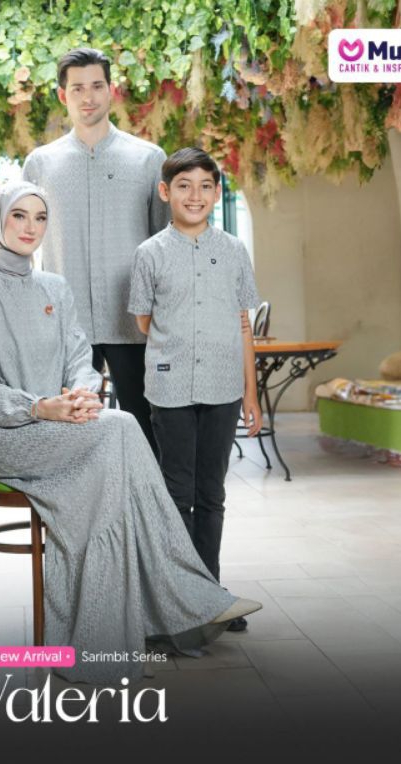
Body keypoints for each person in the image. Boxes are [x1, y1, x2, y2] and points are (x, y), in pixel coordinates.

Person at [0, 180, 261, 685]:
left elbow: (80, 356)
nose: (31, 228)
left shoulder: (55, 287)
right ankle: (186, 595)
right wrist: (41, 407)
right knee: (122, 426)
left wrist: (79, 394)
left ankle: (128, 625)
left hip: (68, 426)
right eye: (18, 216)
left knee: (112, 474)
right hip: (9, 436)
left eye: (40, 218)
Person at [128, 147, 263, 632]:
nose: (195, 195)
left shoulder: (234, 251)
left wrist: (250, 393)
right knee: (176, 493)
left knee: (212, 494)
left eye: (206, 186)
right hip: (170, 389)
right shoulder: (149, 254)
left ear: (217, 193)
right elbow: (145, 322)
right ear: (165, 192)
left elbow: (243, 324)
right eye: (184, 186)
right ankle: (178, 600)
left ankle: (210, 596)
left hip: (224, 387)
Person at [22, 47, 168, 455]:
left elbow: (164, 244)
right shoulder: (40, 164)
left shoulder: (148, 159)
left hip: (134, 323)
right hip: (64, 326)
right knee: (68, 437)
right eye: (77, 88)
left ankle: (144, 499)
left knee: (146, 434)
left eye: (97, 86)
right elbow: (25, 245)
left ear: (111, 90)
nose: (88, 97)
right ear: (62, 95)